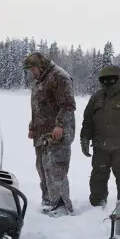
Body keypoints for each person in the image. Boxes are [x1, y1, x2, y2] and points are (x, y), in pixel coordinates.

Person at [23, 52, 77, 217]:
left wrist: (60, 125)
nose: (31, 72)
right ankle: (48, 201)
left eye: (32, 68)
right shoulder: (39, 81)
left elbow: (68, 105)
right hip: (42, 134)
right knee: (42, 168)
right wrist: (33, 126)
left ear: (41, 65)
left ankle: (61, 206)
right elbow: (37, 107)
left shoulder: (59, 77)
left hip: (57, 134)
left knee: (55, 169)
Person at [80, 64, 120, 207]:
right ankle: (97, 203)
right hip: (100, 146)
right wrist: (84, 138)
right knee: (98, 176)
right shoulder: (96, 98)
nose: (108, 83)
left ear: (119, 79)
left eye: (112, 80)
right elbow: (88, 121)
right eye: (104, 80)